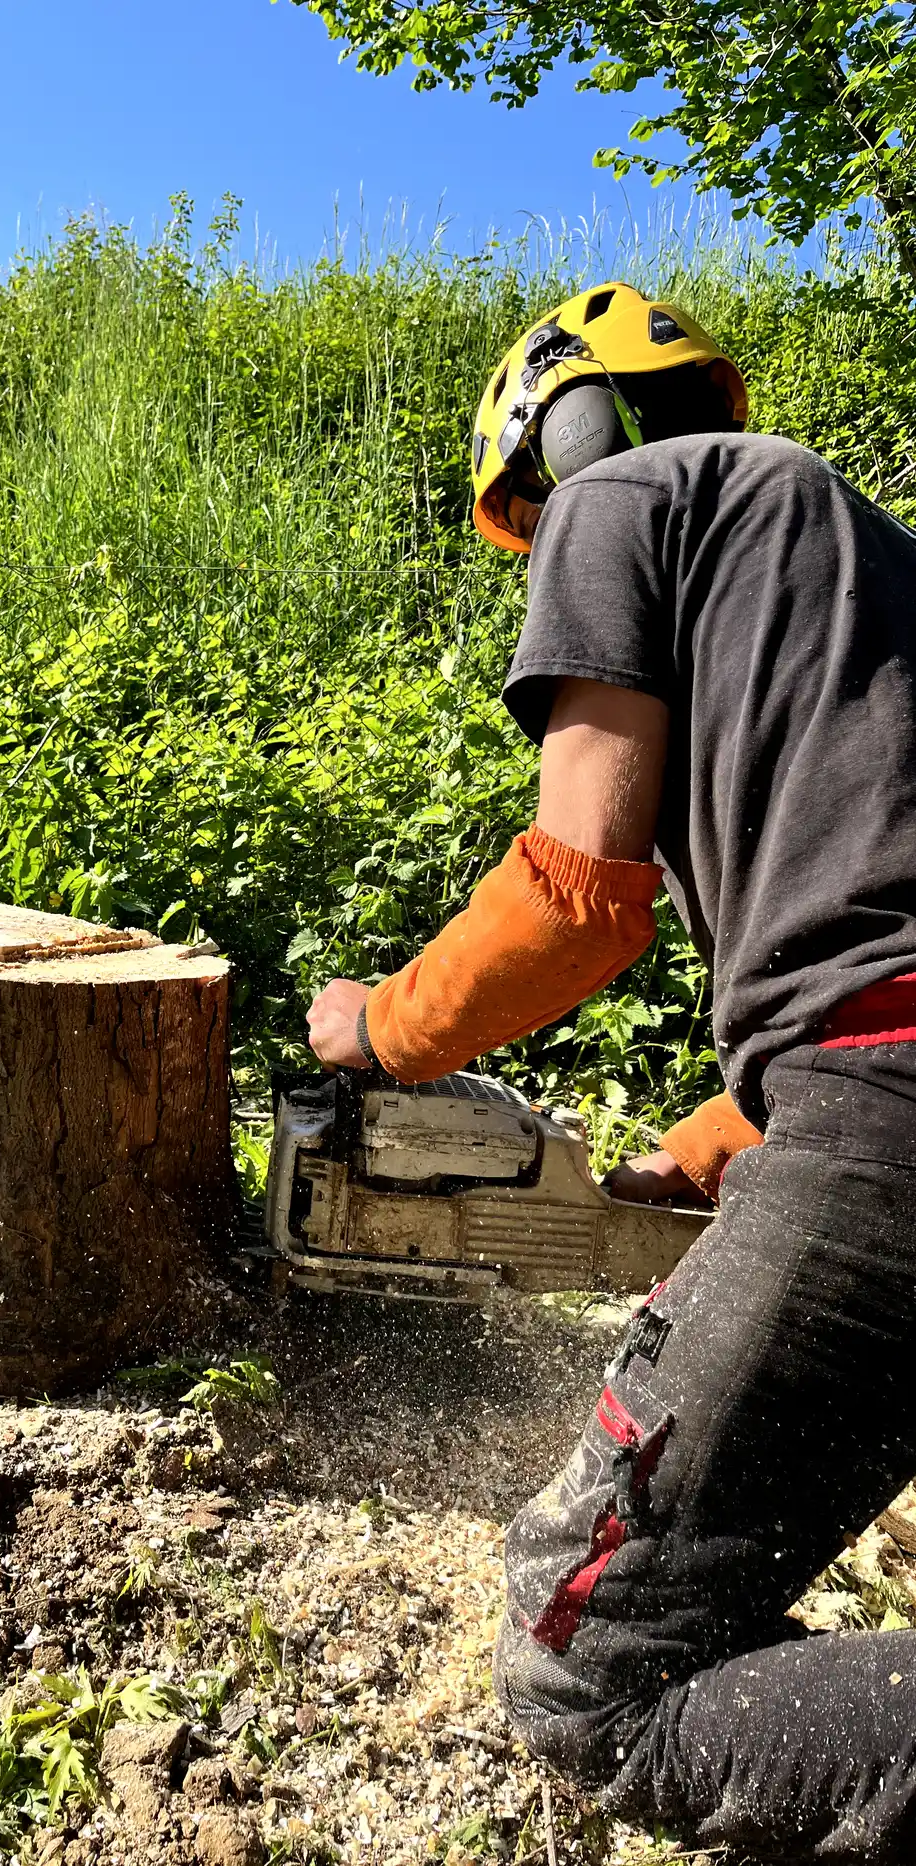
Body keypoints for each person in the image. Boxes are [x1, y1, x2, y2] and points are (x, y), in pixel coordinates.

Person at [305, 280, 916, 1862]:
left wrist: (386, 1029)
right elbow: (871, 929)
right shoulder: (853, 554)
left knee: (597, 1674)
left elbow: (580, 897)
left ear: (537, 458)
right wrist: (727, 1135)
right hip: (874, 1085)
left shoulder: (617, 503)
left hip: (894, 1107)